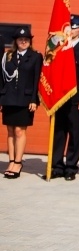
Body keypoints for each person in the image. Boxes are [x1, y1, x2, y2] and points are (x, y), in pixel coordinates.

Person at [51, 14, 79, 181]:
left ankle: (71, 167)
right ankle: (56, 166)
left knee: (75, 132)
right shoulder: (59, 46)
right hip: (59, 96)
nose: (71, 30)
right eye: (70, 27)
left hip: (76, 97)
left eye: (75, 28)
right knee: (58, 131)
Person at [1, 27, 43, 179]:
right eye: (20, 39)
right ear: (16, 41)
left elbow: (36, 79)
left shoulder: (35, 57)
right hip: (9, 98)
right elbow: (2, 78)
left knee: (20, 130)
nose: (23, 42)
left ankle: (18, 163)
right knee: (10, 131)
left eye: (26, 39)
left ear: (30, 41)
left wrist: (34, 100)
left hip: (25, 99)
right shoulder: (8, 56)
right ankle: (11, 161)